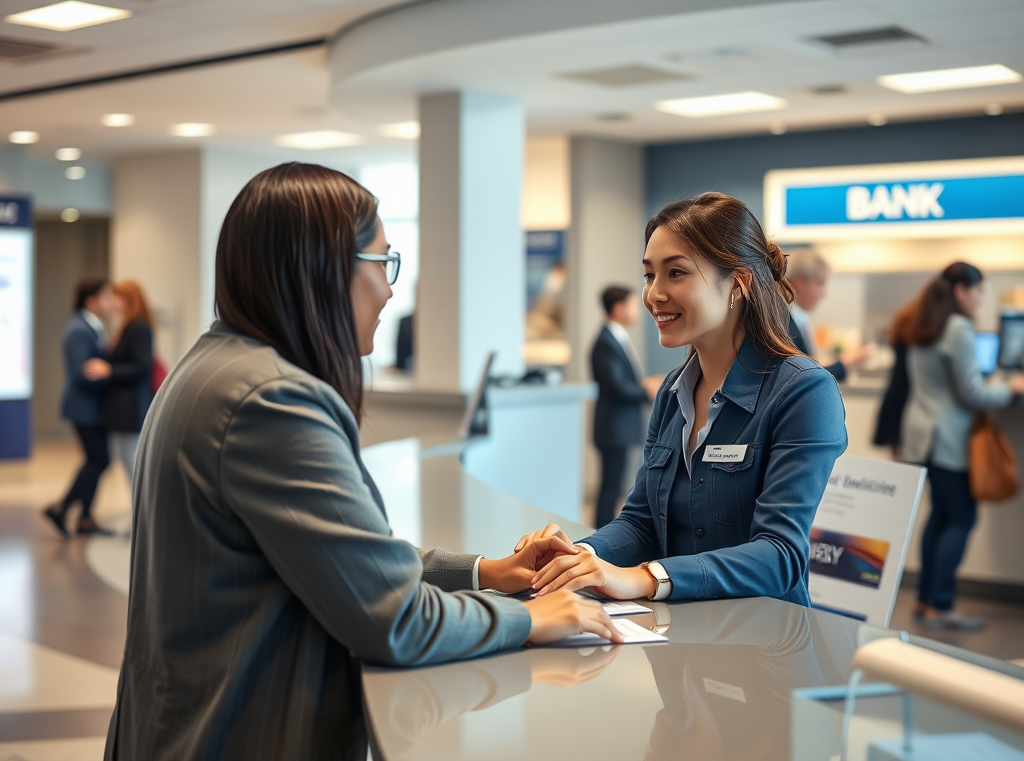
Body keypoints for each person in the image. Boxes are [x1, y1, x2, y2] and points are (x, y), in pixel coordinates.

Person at [104, 163, 620, 761]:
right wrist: (529, 619)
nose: (391, 289)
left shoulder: (216, 366)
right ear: (323, 268)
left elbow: (350, 562)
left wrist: (488, 571)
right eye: (384, 263)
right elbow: (395, 621)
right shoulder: (271, 399)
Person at [515, 192, 848, 605]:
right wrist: (580, 557)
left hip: (764, 647)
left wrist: (645, 579)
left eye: (676, 273)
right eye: (649, 275)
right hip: (677, 643)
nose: (654, 294)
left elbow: (780, 556)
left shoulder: (804, 391)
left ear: (739, 283)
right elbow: (641, 523)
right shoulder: (674, 393)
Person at [901, 262, 1024, 631]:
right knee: (960, 518)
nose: (981, 298)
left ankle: (925, 599)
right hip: (949, 439)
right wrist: (1012, 389)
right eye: (978, 291)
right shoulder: (958, 328)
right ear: (960, 291)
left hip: (923, 436)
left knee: (940, 516)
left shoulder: (926, 323)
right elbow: (972, 392)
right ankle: (942, 605)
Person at [43, 278, 116, 538]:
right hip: (84, 407)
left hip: (94, 408)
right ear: (91, 301)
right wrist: (110, 375)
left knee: (97, 460)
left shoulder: (93, 327)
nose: (111, 303)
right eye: (106, 297)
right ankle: (61, 507)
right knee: (99, 459)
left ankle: (85, 517)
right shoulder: (79, 329)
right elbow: (81, 373)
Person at [590, 286, 662, 528]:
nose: (638, 310)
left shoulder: (617, 337)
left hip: (619, 426)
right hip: (613, 428)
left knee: (615, 486)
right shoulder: (606, 341)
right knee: (610, 488)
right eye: (632, 305)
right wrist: (646, 390)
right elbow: (616, 387)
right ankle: (598, 537)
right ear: (618, 308)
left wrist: (644, 385)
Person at [82, 280, 155, 493]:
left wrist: (109, 370)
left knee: (132, 464)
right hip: (123, 408)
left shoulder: (138, 326)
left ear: (128, 300)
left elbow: (143, 367)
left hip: (130, 407)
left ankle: (141, 521)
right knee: (126, 462)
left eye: (117, 297)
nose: (113, 302)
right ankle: (138, 519)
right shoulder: (129, 325)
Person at [785, 249, 872, 382]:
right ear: (801, 282)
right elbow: (804, 378)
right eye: (820, 284)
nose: (824, 294)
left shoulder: (798, 317)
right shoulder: (785, 321)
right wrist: (847, 363)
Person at [871, 297, 920, 459]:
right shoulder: (918, 332)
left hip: (895, 400)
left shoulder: (904, 321)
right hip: (904, 403)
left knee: (899, 465)